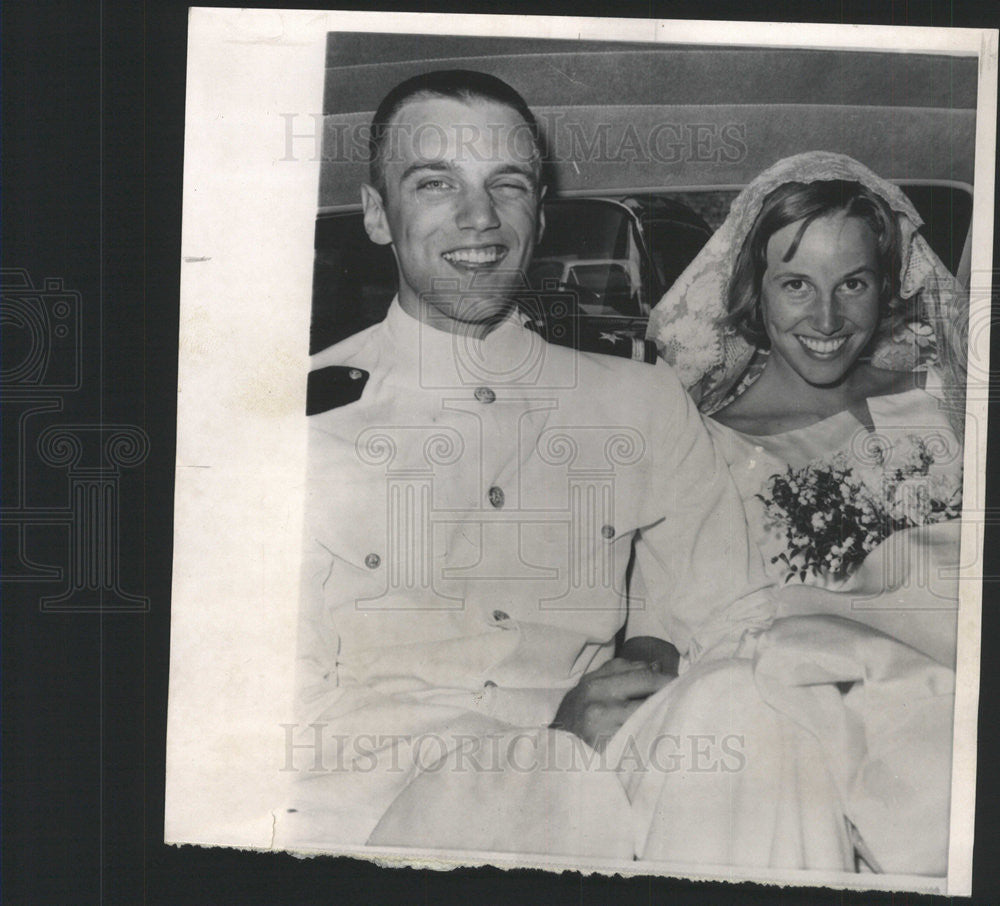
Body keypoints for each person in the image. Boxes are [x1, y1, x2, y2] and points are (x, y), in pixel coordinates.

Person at [281, 70, 862, 867]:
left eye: (506, 184)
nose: (478, 218)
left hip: (611, 775)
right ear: (379, 215)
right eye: (435, 183)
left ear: (539, 211)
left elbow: (735, 620)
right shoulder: (291, 426)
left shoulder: (640, 402)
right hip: (381, 810)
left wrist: (661, 655)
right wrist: (535, 757)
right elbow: (270, 715)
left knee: (746, 703)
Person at [647, 151, 966, 872]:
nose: (827, 318)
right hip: (835, 722)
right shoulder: (708, 445)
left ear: (886, 288)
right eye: (796, 285)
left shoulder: (936, 402)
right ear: (754, 294)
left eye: (852, 283)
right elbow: (709, 626)